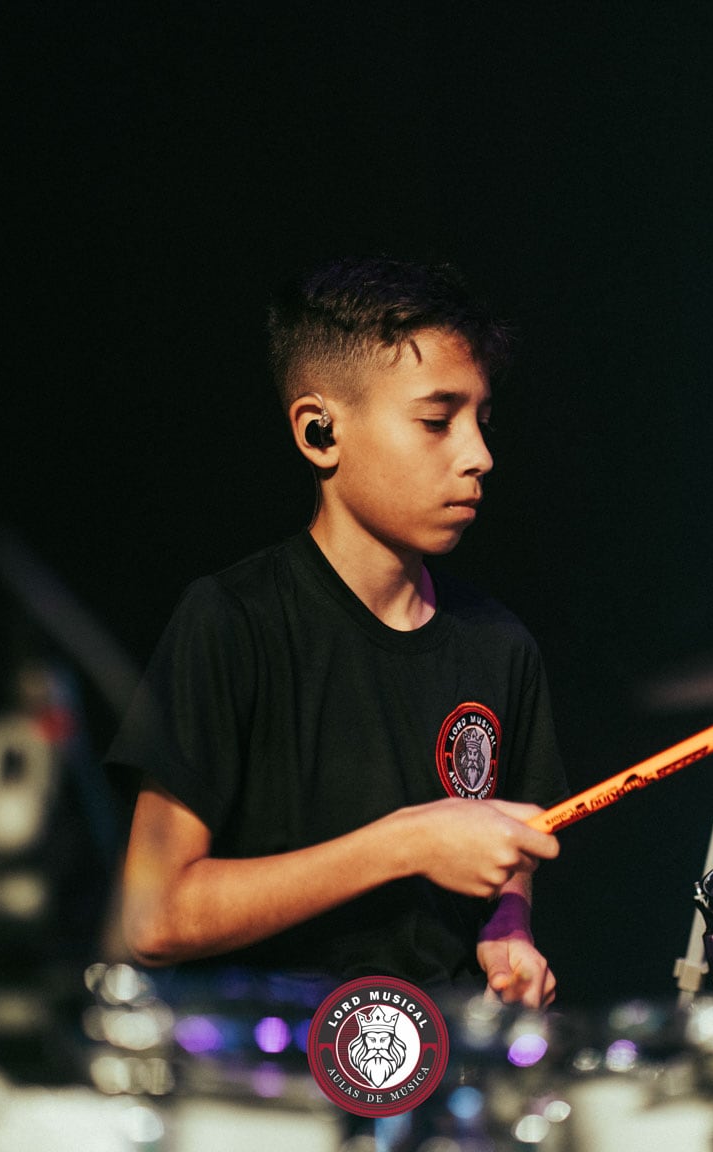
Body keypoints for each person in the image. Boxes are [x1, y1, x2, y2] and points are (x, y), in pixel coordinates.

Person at [107, 256, 567, 1007]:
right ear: (320, 431)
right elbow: (152, 918)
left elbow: (508, 853)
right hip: (274, 1062)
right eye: (437, 421)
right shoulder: (232, 622)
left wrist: (508, 928)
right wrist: (406, 843)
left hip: (447, 1060)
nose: (480, 455)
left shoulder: (499, 645)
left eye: (481, 421)